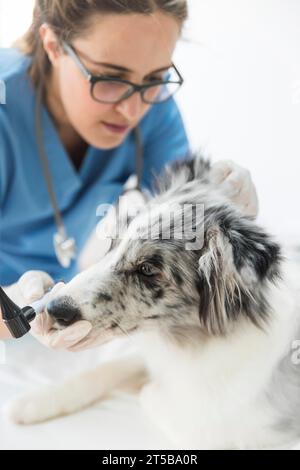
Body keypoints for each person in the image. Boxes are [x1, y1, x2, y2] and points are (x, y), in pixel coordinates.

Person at [0, 0, 258, 348]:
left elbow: (186, 226)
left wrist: (227, 208)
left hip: (60, 305)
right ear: (52, 45)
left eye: (155, 78)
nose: (132, 110)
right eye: (110, 77)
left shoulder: (154, 109)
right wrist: (12, 307)